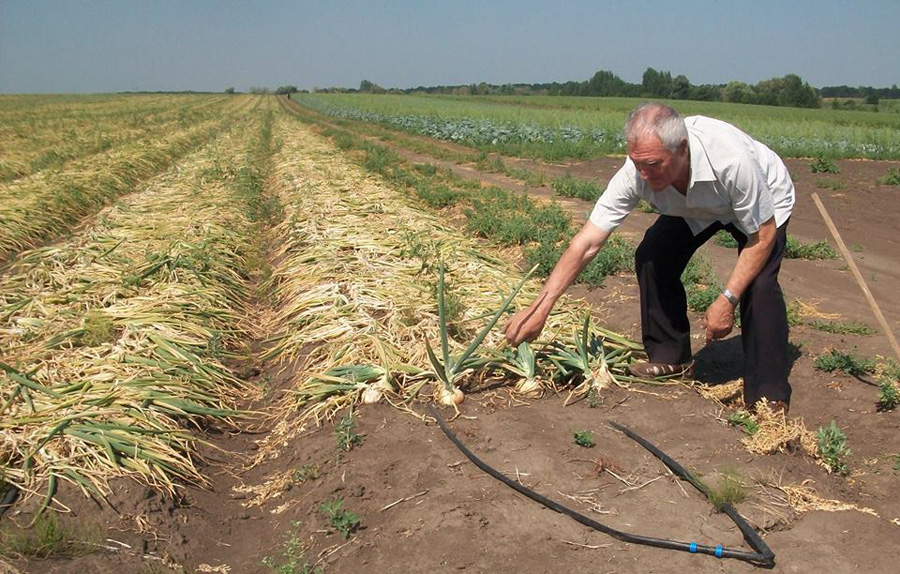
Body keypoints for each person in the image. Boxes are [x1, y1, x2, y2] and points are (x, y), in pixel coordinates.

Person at [504, 103, 795, 413]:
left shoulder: (732, 161)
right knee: (653, 255)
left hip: (759, 204)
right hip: (693, 205)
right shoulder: (638, 173)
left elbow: (761, 237)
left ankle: (768, 393)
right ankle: (672, 358)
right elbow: (587, 243)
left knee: (759, 286)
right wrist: (540, 308)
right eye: (637, 163)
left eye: (653, 163)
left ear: (682, 149)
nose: (643, 174)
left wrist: (727, 298)